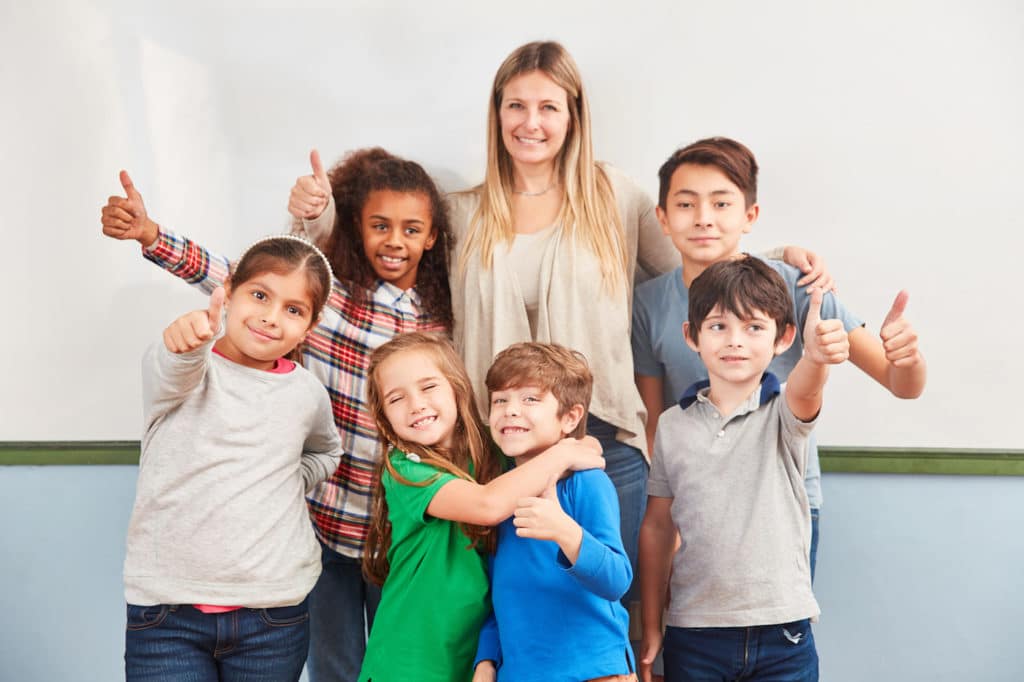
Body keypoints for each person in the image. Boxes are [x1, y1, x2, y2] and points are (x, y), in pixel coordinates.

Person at [102, 147, 454, 681]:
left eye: (411, 229)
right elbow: (232, 275)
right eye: (380, 225)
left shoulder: (443, 318)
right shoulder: (331, 302)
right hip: (328, 528)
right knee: (335, 668)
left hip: (400, 525)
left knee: (401, 667)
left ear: (431, 237)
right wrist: (153, 236)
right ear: (357, 225)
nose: (394, 241)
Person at [631, 137, 927, 578]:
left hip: (785, 503)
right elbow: (655, 426)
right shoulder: (648, 304)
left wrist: (907, 359)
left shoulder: (794, 286)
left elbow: (901, 384)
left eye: (722, 203)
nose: (704, 219)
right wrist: (669, 515)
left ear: (749, 216)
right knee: (694, 644)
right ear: (663, 218)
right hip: (695, 510)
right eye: (687, 204)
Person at [123, 235, 341, 681]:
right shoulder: (188, 363)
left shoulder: (306, 392)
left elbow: (325, 450)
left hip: (274, 616)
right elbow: (173, 369)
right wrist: (184, 344)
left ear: (310, 327)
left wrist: (285, 480)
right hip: (168, 616)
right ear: (229, 290)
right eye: (259, 295)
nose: (270, 317)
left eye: (293, 310)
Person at [638, 257, 852, 682]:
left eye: (754, 327)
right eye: (718, 326)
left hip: (783, 633)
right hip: (694, 631)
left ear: (782, 337)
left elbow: (809, 385)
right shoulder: (671, 426)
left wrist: (815, 355)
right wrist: (649, 627)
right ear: (691, 336)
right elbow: (658, 527)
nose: (735, 340)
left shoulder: (786, 410)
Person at [358, 332, 605, 682]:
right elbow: (487, 505)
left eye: (428, 387)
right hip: (411, 654)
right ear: (383, 415)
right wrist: (565, 451)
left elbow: (575, 445)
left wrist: (574, 442)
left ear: (457, 388)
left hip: (476, 653)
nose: (416, 405)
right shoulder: (406, 468)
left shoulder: (496, 449)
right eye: (397, 398)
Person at [473, 343, 635, 682]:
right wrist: (486, 660)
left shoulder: (586, 483)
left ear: (570, 418)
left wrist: (563, 529)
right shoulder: (500, 493)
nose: (511, 410)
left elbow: (617, 579)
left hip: (595, 673)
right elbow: (502, 594)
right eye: (500, 400)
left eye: (530, 399)